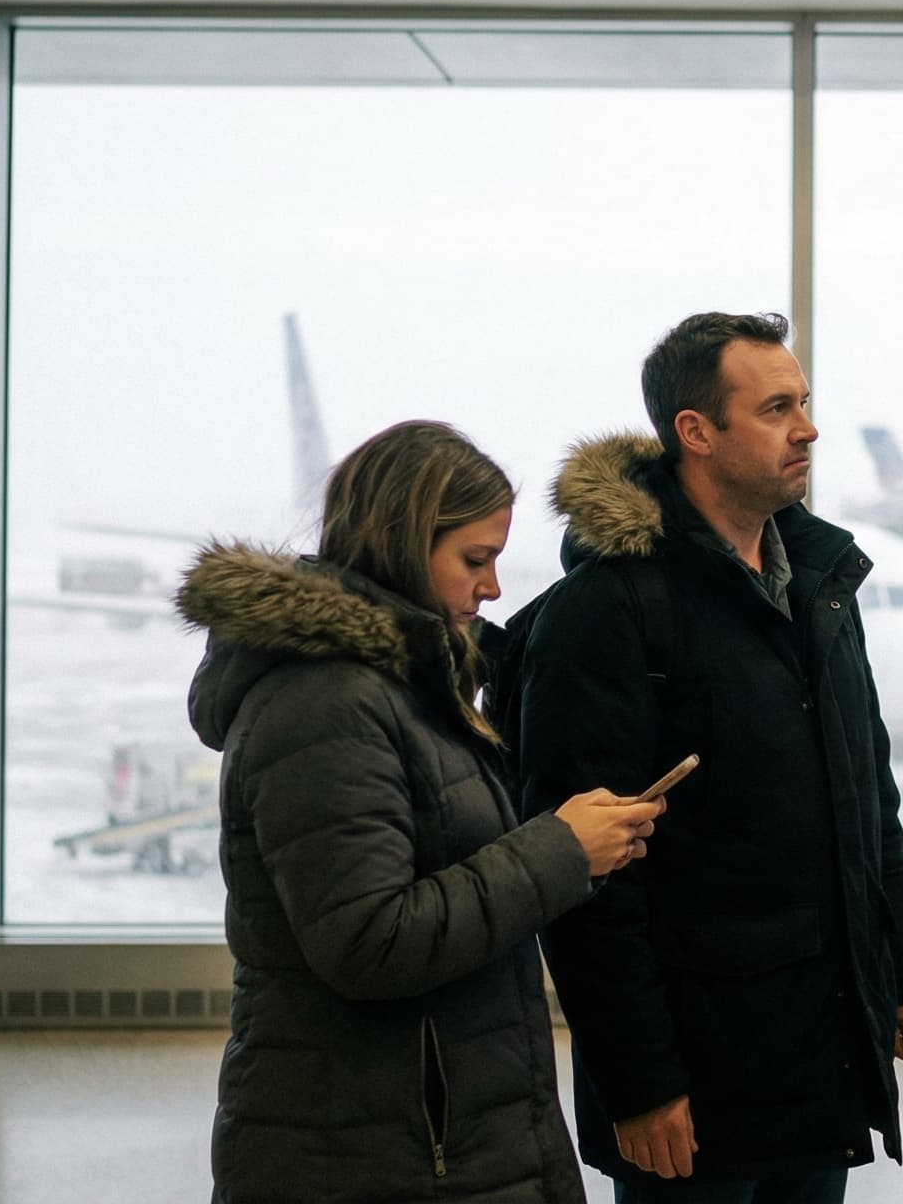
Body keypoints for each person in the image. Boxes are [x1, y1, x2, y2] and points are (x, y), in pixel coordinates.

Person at [179, 419, 664, 1204]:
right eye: (475, 560)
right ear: (404, 546)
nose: (494, 588)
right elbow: (371, 941)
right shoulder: (325, 700)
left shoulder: (409, 686)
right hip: (376, 1150)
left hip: (434, 1133)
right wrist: (559, 851)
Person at [511, 312, 903, 1204]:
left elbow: (867, 788)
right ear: (696, 433)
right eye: (778, 408)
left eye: (805, 403)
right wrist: (640, 1081)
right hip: (695, 1073)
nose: (809, 428)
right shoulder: (608, 611)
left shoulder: (821, 586)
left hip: (821, 1047)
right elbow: (584, 876)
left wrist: (900, 966)